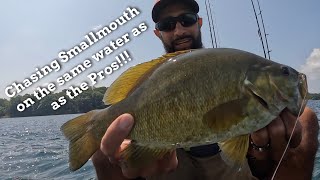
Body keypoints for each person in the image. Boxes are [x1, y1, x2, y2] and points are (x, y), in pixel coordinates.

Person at [92, 0, 319, 179]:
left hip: (229, 168)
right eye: (167, 25)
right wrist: (129, 152)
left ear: (198, 22)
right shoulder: (154, 79)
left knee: (306, 121)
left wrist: (259, 154)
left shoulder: (229, 68)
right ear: (157, 32)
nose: (179, 30)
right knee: (103, 151)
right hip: (168, 163)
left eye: (186, 19)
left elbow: (233, 139)